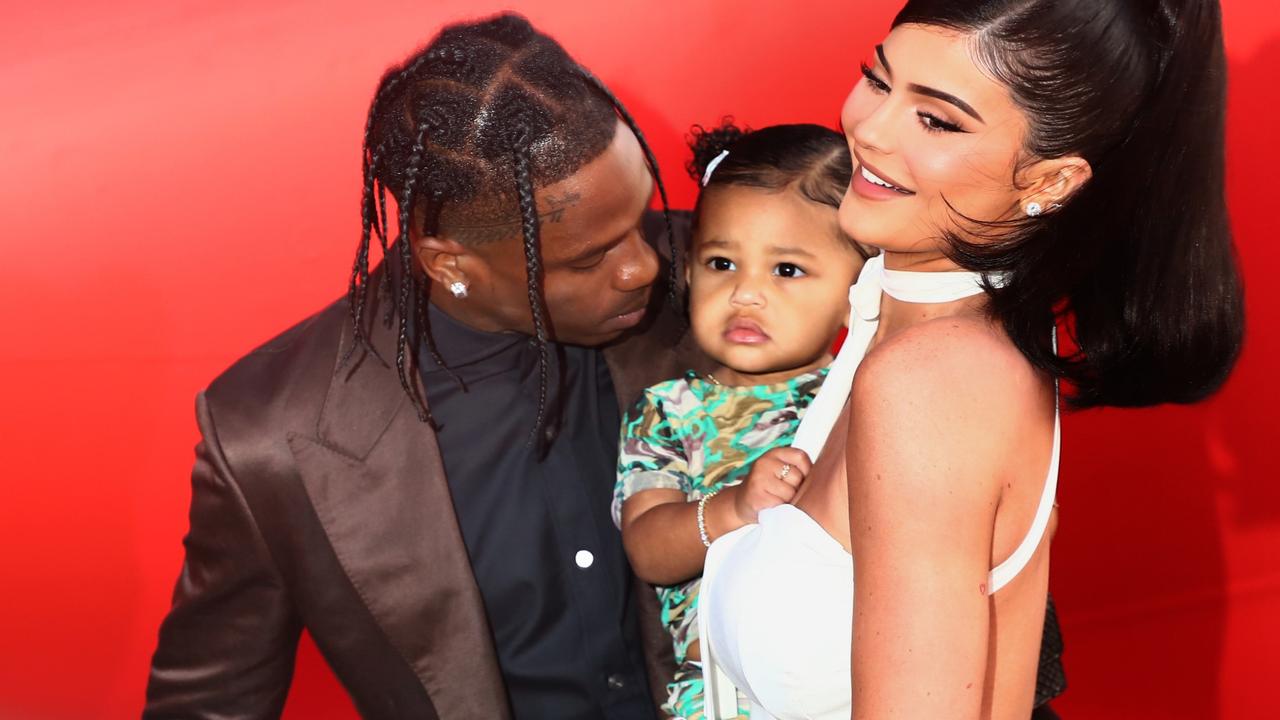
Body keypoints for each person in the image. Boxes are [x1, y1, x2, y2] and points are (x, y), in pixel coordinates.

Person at [144, 13, 705, 719]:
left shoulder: (726, 282)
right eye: (589, 258)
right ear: (451, 265)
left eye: (641, 217)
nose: (643, 265)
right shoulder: (273, 435)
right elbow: (207, 705)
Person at [697, 1, 1244, 719]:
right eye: (877, 78)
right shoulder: (914, 311)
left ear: (1048, 181)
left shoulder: (929, 382)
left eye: (937, 120)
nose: (869, 129)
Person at [613, 122, 869, 719]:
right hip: (730, 692)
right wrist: (733, 509)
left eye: (786, 270)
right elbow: (648, 548)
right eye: (723, 262)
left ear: (855, 291)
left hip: (861, 676)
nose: (746, 293)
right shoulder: (669, 410)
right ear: (693, 273)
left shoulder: (869, 394)